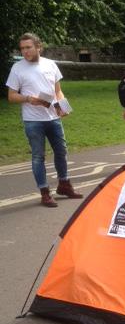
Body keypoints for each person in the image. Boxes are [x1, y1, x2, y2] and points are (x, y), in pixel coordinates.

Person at [5, 33, 82, 207]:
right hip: (33, 121)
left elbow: (58, 91)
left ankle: (64, 185)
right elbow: (11, 96)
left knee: (61, 152)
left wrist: (62, 106)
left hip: (53, 118)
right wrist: (28, 99)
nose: (25, 51)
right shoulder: (17, 68)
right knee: (38, 156)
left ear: (39, 47)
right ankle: (45, 192)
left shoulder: (50, 64)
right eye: (22, 48)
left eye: (28, 47)